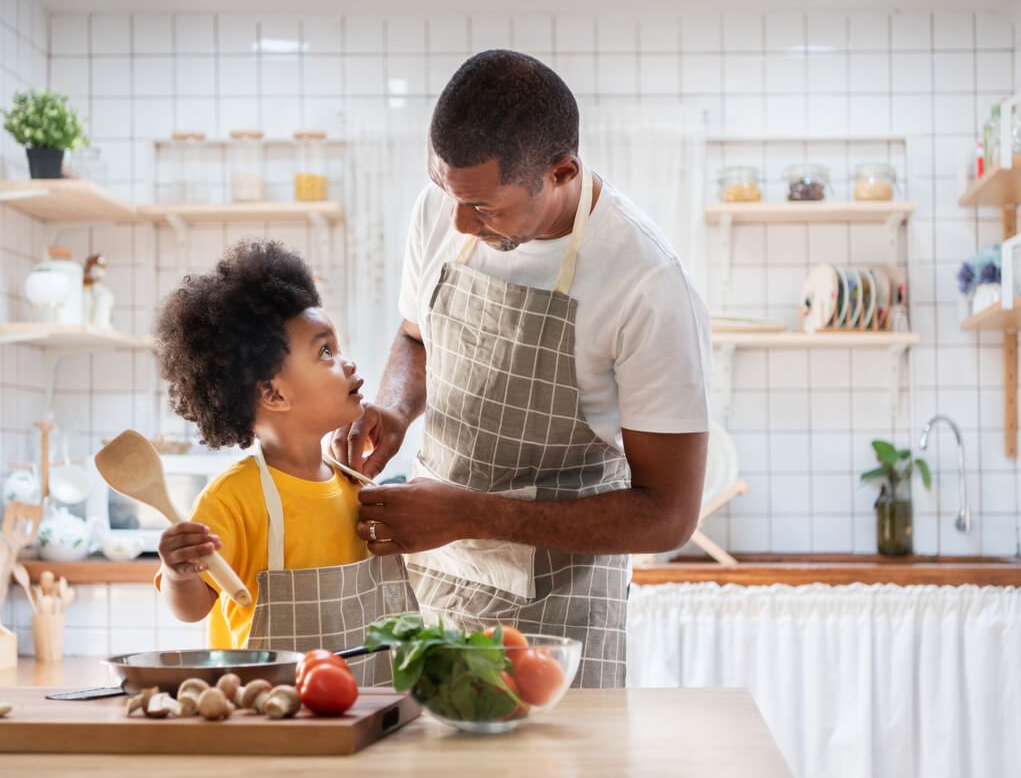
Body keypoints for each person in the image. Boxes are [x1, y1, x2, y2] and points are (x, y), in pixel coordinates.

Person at [334, 50, 711, 687]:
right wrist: (397, 409)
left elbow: (669, 514)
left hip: (558, 625)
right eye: (446, 191)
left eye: (485, 209)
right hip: (433, 585)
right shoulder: (444, 207)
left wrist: (470, 515)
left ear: (560, 172)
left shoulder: (646, 283)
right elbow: (413, 335)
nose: (457, 220)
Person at [152, 239, 414, 685]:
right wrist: (179, 575)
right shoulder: (233, 498)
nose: (348, 363)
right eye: (326, 352)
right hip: (271, 715)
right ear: (273, 393)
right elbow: (194, 609)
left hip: (369, 707)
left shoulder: (356, 487)